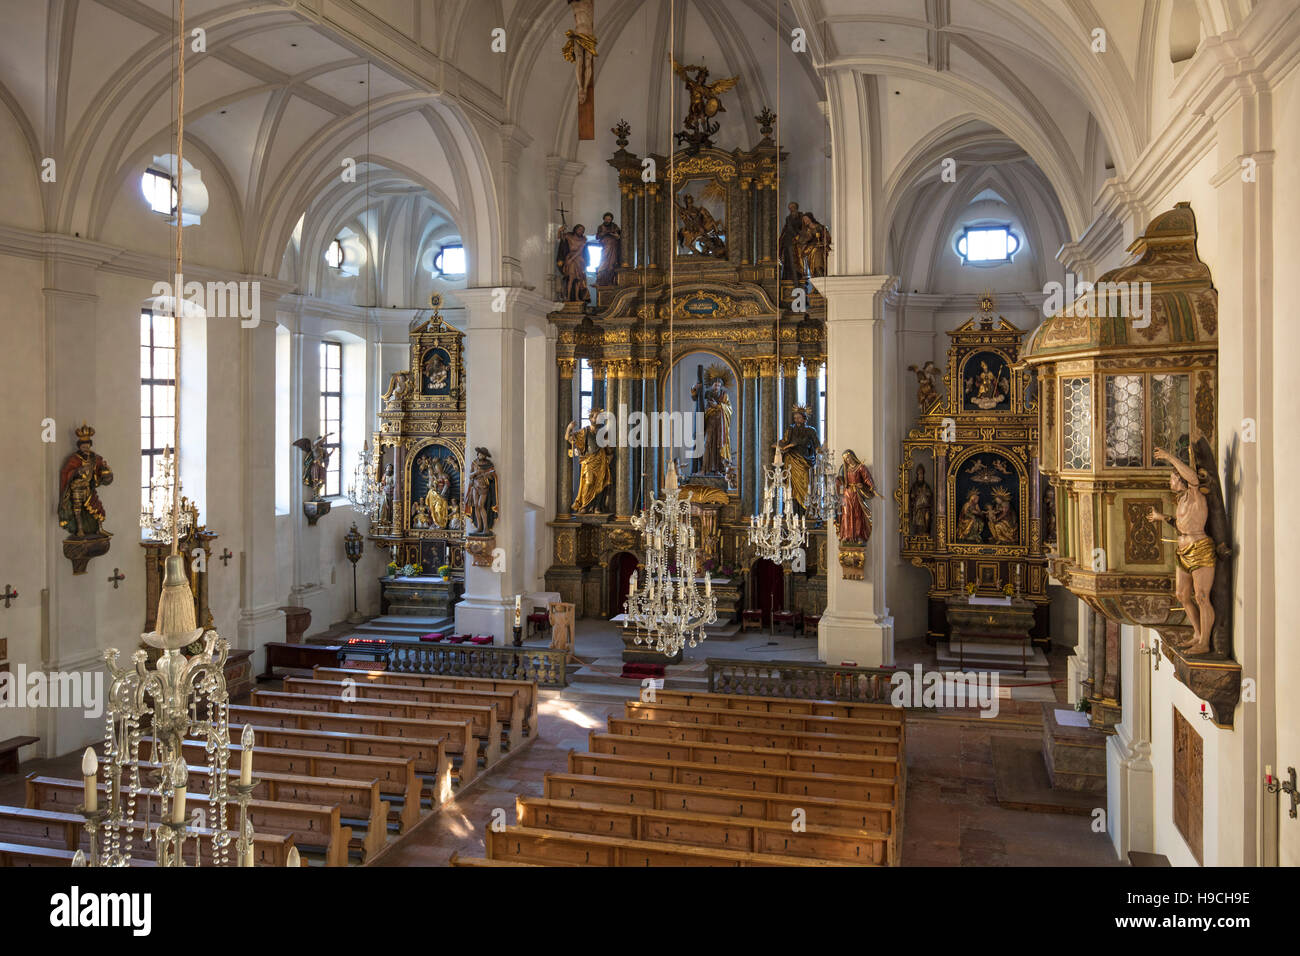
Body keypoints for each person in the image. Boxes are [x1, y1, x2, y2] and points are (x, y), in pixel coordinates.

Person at [1147, 446, 1216, 654]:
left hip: (1199, 548)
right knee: (1182, 595)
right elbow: (1181, 525)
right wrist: (1161, 517)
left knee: (1202, 596)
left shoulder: (1195, 494)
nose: (1170, 482)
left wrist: (1169, 457)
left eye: (1173, 478)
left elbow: (1193, 478)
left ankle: (1204, 642)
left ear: (1181, 480)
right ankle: (1196, 633)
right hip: (1182, 550)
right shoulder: (1181, 500)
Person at [59, 425, 114, 537]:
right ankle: (80, 529)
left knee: (98, 508)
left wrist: (106, 471)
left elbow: (101, 475)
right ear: (79, 447)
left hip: (88, 488)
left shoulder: (95, 458)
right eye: (83, 447)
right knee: (77, 509)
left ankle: (100, 528)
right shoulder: (74, 459)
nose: (86, 448)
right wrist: (78, 471)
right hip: (77, 488)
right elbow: (66, 472)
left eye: (87, 446)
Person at [566, 407, 612, 512]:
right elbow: (568, 438)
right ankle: (584, 506)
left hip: (601, 460)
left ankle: (597, 507)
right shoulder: (585, 431)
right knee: (589, 482)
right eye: (597, 417)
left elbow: (609, 450)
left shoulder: (603, 432)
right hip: (589, 461)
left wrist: (608, 447)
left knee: (600, 483)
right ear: (591, 418)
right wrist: (569, 428)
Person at [775, 406, 818, 515]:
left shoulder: (810, 431)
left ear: (804, 419)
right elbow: (784, 441)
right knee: (791, 486)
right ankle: (792, 512)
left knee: (805, 484)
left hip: (805, 461)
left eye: (799, 418)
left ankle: (806, 511)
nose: (796, 420)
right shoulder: (790, 429)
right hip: (791, 460)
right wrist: (779, 446)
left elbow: (817, 445)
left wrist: (821, 451)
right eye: (795, 418)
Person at [692, 377, 733, 475]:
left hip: (720, 424)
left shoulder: (724, 395)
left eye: (719, 385)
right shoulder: (707, 393)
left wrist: (717, 406)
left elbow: (729, 409)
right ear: (711, 385)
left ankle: (718, 469)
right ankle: (705, 469)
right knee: (707, 444)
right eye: (715, 385)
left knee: (719, 445)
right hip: (710, 422)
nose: (717, 387)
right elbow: (695, 397)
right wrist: (694, 388)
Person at [835, 450, 876, 544]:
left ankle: (858, 536)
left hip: (856, 493)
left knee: (857, 514)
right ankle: (846, 536)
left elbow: (867, 478)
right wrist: (838, 481)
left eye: (848, 457)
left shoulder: (861, 467)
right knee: (846, 514)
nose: (847, 460)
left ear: (852, 456)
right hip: (847, 494)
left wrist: (870, 486)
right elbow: (840, 479)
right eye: (845, 459)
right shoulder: (844, 468)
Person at [555, 224, 589, 302]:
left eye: (582, 230)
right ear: (575, 229)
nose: (581, 231)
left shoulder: (583, 239)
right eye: (579, 229)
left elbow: (580, 251)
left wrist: (571, 259)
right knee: (571, 278)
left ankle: (577, 297)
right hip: (570, 257)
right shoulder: (569, 236)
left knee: (578, 279)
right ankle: (568, 297)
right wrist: (560, 230)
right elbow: (560, 238)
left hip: (578, 258)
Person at [594, 212, 621, 286]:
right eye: (606, 219)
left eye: (609, 219)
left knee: (612, 263)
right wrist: (604, 233)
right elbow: (597, 237)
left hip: (613, 246)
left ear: (611, 219)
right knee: (604, 260)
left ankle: (610, 280)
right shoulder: (601, 227)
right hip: (605, 245)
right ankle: (600, 278)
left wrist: (615, 235)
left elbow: (619, 235)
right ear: (604, 219)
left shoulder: (615, 226)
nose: (608, 220)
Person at [908, 464, 933, 535]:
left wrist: (926, 495)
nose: (921, 476)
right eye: (919, 474)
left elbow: (930, 496)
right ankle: (918, 533)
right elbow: (912, 496)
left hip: (925, 507)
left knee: (927, 518)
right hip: (917, 508)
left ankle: (926, 532)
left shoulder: (926, 486)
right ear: (917, 475)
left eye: (922, 474)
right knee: (918, 520)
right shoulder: (914, 486)